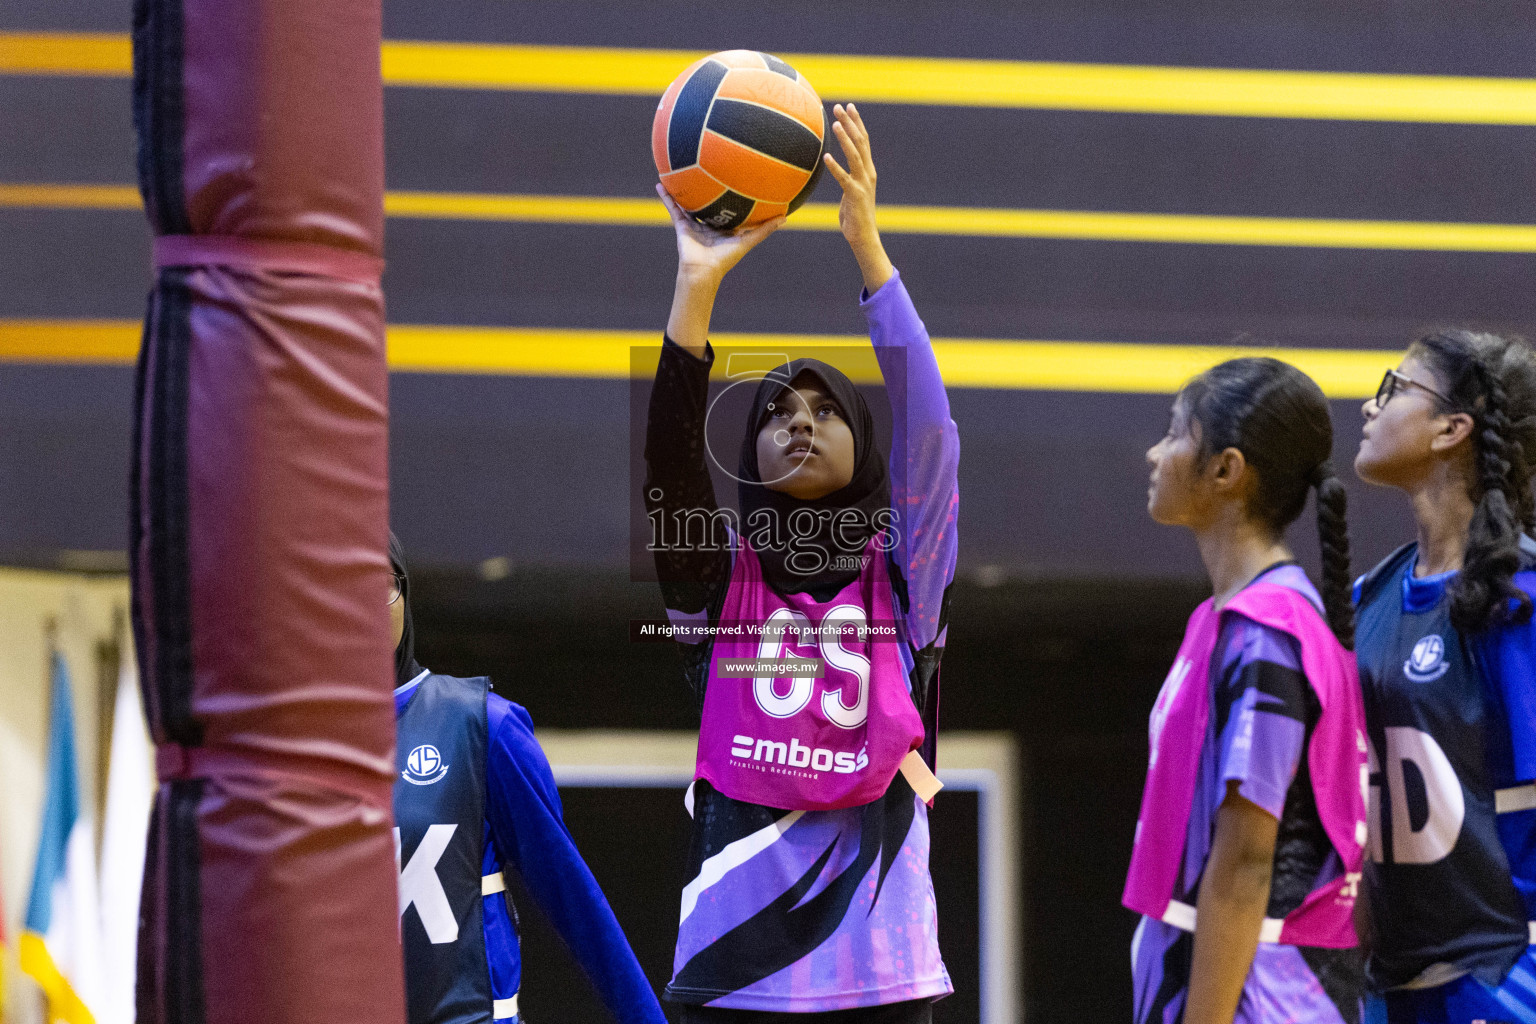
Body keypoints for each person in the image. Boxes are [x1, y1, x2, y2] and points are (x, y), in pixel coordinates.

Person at [643, 103, 958, 1020]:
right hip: (729, 966)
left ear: (865, 445)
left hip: (885, 969)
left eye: (824, 411)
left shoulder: (908, 575)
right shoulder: (715, 578)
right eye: (779, 412)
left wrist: (869, 251)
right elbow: (669, 458)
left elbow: (934, 436)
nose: (801, 422)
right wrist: (694, 289)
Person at [1125, 358, 1369, 1024]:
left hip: (1266, 991)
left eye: (1176, 433)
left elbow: (1244, 866)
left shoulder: (1270, 632)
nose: (1155, 452)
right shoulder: (1227, 620)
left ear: (1226, 470)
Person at [387, 533, 667, 1024]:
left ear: (406, 595)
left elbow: (574, 899)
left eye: (378, 585)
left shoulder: (479, 726)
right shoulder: (275, 745)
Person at [1351, 330, 1536, 1023]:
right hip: (1393, 990)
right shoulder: (1370, 597)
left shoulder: (1519, 597)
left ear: (1453, 428)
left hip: (1504, 980)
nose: (1371, 408)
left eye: (1395, 389)